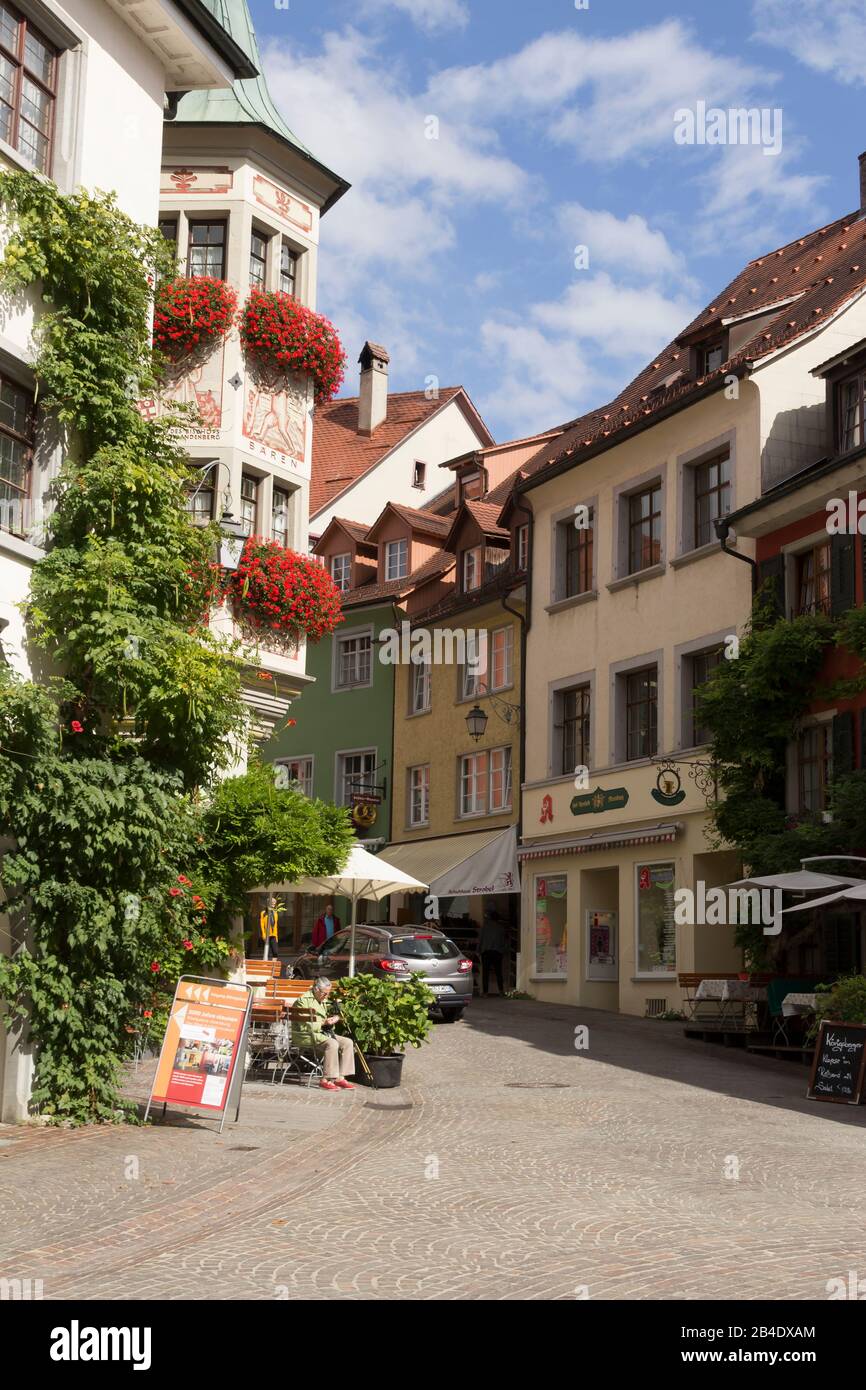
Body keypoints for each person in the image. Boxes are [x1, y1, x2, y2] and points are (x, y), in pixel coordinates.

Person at [291, 977, 355, 1091]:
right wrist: (324, 1022)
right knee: (332, 1044)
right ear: (316, 989)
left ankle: (340, 1077)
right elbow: (305, 1025)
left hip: (322, 1033)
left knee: (347, 1042)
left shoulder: (322, 1000)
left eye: (328, 993)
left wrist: (332, 1020)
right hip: (306, 1035)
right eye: (324, 993)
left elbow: (324, 1023)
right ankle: (326, 1079)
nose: (326, 996)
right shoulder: (303, 1000)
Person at [478, 909, 509, 997]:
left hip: (486, 952)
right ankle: (501, 991)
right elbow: (504, 941)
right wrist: (503, 950)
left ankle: (485, 992)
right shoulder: (501, 928)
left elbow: (480, 939)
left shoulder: (484, 927)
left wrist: (478, 950)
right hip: (497, 952)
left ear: (490, 918)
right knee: (498, 972)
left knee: (485, 973)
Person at [260, 895, 281, 963]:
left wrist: (276, 936)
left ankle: (273, 965)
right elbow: (262, 925)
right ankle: (265, 965)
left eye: (274, 903)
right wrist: (263, 934)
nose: (273, 904)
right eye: (272, 903)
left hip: (273, 935)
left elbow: (275, 926)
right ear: (268, 903)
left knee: (275, 952)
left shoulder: (275, 913)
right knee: (266, 952)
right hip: (266, 935)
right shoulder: (263, 913)